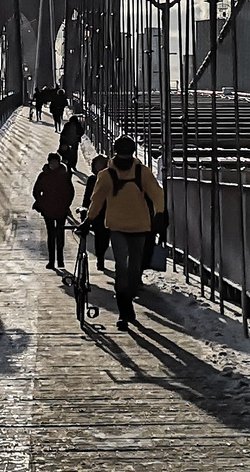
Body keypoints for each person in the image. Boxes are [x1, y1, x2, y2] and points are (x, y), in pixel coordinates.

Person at [82, 135, 165, 330]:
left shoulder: (135, 173)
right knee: (124, 269)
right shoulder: (117, 174)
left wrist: (89, 220)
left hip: (133, 228)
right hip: (124, 228)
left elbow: (97, 201)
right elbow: (98, 200)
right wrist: (158, 213)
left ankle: (126, 307)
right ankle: (124, 311)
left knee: (131, 270)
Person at [32, 152, 74, 269]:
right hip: (48, 210)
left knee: (60, 234)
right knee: (51, 235)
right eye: (52, 162)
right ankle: (51, 260)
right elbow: (36, 191)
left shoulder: (64, 175)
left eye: (55, 162)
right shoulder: (44, 175)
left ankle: (60, 260)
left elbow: (70, 192)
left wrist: (66, 204)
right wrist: (43, 203)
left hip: (61, 209)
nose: (53, 164)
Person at [81, 154, 110, 269]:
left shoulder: (110, 179)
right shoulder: (92, 180)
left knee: (106, 238)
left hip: (109, 211)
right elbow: (87, 196)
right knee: (99, 237)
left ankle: (102, 254)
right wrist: (85, 210)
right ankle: (100, 258)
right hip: (96, 212)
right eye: (98, 165)